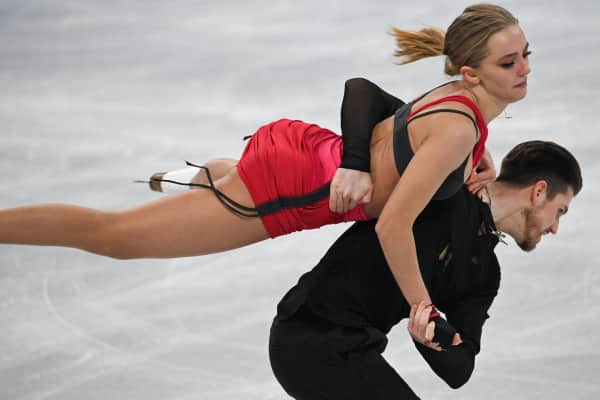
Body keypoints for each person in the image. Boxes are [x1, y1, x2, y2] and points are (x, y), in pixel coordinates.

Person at [0, 4, 527, 328]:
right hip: (285, 191)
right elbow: (393, 225)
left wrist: (469, 157)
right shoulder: (459, 129)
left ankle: (201, 178)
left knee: (220, 185)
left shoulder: (459, 112)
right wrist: (422, 306)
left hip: (299, 151)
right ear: (470, 73)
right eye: (508, 62)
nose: (524, 69)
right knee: (114, 237)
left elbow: (401, 121)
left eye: (527, 54)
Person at [269, 140, 582, 399]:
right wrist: (471, 142)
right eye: (560, 211)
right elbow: (400, 121)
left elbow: (460, 369)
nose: (555, 227)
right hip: (307, 330)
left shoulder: (484, 274)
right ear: (539, 192)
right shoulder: (443, 189)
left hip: (352, 347)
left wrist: (431, 336)